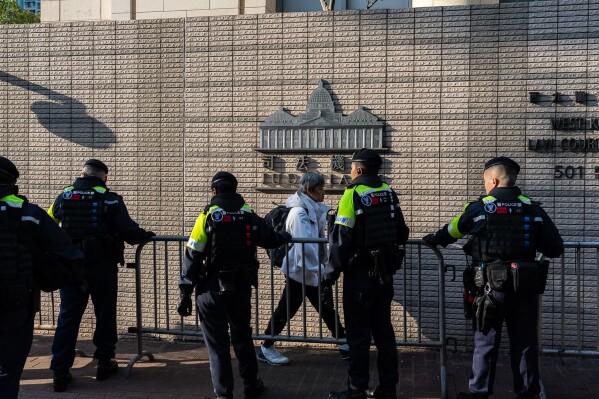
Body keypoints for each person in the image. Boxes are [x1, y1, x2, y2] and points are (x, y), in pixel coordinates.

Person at [423, 156, 563, 399]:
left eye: (486, 182)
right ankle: (527, 393)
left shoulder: (479, 209)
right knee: (525, 343)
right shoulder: (533, 209)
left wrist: (434, 239)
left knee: (486, 342)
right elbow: (555, 248)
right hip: (525, 288)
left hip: (490, 289)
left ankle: (479, 393)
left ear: (495, 181)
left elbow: (451, 231)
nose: (485, 187)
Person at [177, 171, 292, 399]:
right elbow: (271, 237)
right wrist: (285, 236)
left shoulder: (208, 215)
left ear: (214, 191)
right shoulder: (247, 214)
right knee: (242, 336)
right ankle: (250, 385)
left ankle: (224, 393)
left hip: (210, 290)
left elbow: (192, 255)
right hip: (240, 289)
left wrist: (185, 291)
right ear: (235, 189)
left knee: (217, 344)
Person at [48, 159, 155, 392]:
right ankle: (105, 364)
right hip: (102, 268)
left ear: (82, 174)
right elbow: (129, 231)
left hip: (71, 269)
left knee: (67, 318)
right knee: (105, 314)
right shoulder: (110, 199)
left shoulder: (64, 196)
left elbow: (50, 225)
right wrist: (144, 235)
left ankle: (60, 372)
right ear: (104, 178)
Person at [326, 148, 409, 399]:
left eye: (351, 167)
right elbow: (402, 232)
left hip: (360, 277)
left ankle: (356, 390)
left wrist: (329, 274)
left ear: (359, 169)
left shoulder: (352, 195)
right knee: (384, 333)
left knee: (359, 336)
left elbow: (341, 240)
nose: (350, 172)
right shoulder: (389, 193)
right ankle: (387, 388)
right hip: (384, 275)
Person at [0, 156, 84, 399]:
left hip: (16, 302)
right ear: (12, 183)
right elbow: (69, 254)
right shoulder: (29, 215)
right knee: (8, 371)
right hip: (14, 305)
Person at [258, 172, 349, 366]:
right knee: (287, 310)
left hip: (310, 271)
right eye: (320, 189)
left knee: (324, 307)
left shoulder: (311, 208)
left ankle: (344, 343)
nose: (324, 192)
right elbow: (305, 246)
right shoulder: (299, 212)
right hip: (301, 271)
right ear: (309, 190)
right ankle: (266, 347)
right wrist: (321, 270)